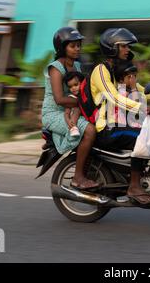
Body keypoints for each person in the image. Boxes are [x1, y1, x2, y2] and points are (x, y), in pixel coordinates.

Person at [88, 28, 150, 204]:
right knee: (145, 137)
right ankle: (134, 186)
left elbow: (142, 92)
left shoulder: (119, 70)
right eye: (124, 46)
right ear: (112, 47)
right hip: (107, 127)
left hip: (121, 122)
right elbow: (114, 97)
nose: (128, 50)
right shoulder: (101, 70)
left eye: (128, 47)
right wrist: (142, 107)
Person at [42, 27, 99, 190]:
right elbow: (59, 99)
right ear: (62, 47)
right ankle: (78, 178)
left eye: (78, 45)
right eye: (72, 46)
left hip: (75, 109)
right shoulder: (55, 68)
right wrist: (86, 102)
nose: (77, 49)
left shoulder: (78, 67)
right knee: (90, 130)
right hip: (54, 113)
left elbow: (84, 89)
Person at [63, 71, 85, 136]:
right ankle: (73, 128)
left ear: (82, 83)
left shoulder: (86, 94)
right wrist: (68, 121)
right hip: (74, 118)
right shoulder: (71, 98)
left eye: (76, 85)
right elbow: (66, 113)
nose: (73, 88)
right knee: (77, 108)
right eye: (70, 87)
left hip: (85, 117)